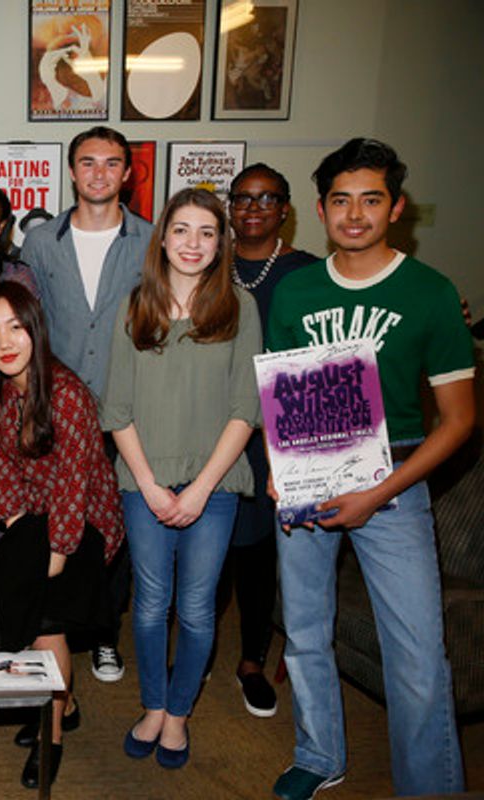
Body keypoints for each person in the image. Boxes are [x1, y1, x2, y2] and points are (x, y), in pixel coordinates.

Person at [267, 139, 471, 800]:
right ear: (321, 210)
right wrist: (279, 467)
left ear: (397, 207)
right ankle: (320, 754)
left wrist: (377, 494)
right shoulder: (296, 291)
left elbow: (459, 420)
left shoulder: (432, 293)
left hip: (395, 487)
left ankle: (430, 787)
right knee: (303, 632)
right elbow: (284, 396)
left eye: (371, 199)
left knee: (417, 659)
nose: (355, 214)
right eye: (341, 200)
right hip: (309, 479)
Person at [101, 188, 260, 770]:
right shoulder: (133, 306)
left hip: (213, 486)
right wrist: (147, 485)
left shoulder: (239, 307)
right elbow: (116, 409)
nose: (193, 244)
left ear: (221, 243)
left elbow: (247, 408)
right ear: (162, 238)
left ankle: (178, 714)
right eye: (182, 230)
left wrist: (198, 490)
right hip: (142, 482)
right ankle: (152, 704)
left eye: (207, 233)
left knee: (195, 610)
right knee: (148, 606)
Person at [0, 281, 125, 789]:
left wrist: (51, 555)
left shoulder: (68, 394)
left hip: (84, 520)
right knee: (15, 603)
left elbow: (73, 484)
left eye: (15, 327)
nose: (4, 341)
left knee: (45, 625)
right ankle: (66, 703)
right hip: (32, 516)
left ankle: (50, 736)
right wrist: (16, 528)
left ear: (35, 329)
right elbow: (0, 466)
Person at [21, 125, 154, 684]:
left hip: (130, 413)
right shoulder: (40, 243)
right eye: (88, 162)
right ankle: (58, 629)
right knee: (61, 527)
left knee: (116, 530)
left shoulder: (152, 241)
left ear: (127, 173)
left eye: (111, 163)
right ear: (72, 171)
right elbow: (31, 325)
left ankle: (104, 635)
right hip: (60, 413)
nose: (99, 173)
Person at [214, 163, 318, 718]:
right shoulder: (206, 261)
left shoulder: (309, 273)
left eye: (266, 198)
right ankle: (199, 653)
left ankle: (251, 660)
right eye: (242, 198)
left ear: (285, 209)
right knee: (208, 553)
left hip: (280, 435)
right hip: (211, 426)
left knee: (257, 556)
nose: (252, 208)